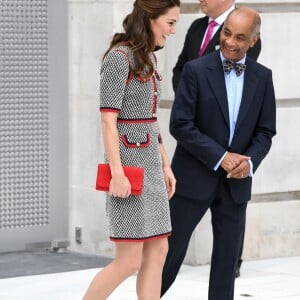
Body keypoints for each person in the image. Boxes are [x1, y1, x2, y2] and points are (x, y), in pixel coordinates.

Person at [161, 6, 276, 300]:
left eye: (240, 37)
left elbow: (265, 132)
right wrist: (220, 157)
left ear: (254, 40)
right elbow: (180, 125)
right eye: (226, 33)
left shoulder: (263, 77)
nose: (230, 42)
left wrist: (248, 164)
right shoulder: (195, 70)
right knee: (168, 257)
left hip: (236, 184)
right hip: (193, 178)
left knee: (226, 265)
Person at [82, 1, 179, 299]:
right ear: (150, 19)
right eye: (170, 23)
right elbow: (108, 120)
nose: (173, 31)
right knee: (128, 261)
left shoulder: (148, 57)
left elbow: (151, 118)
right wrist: (117, 173)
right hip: (128, 167)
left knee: (159, 249)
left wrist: (165, 165)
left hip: (150, 164)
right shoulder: (118, 57)